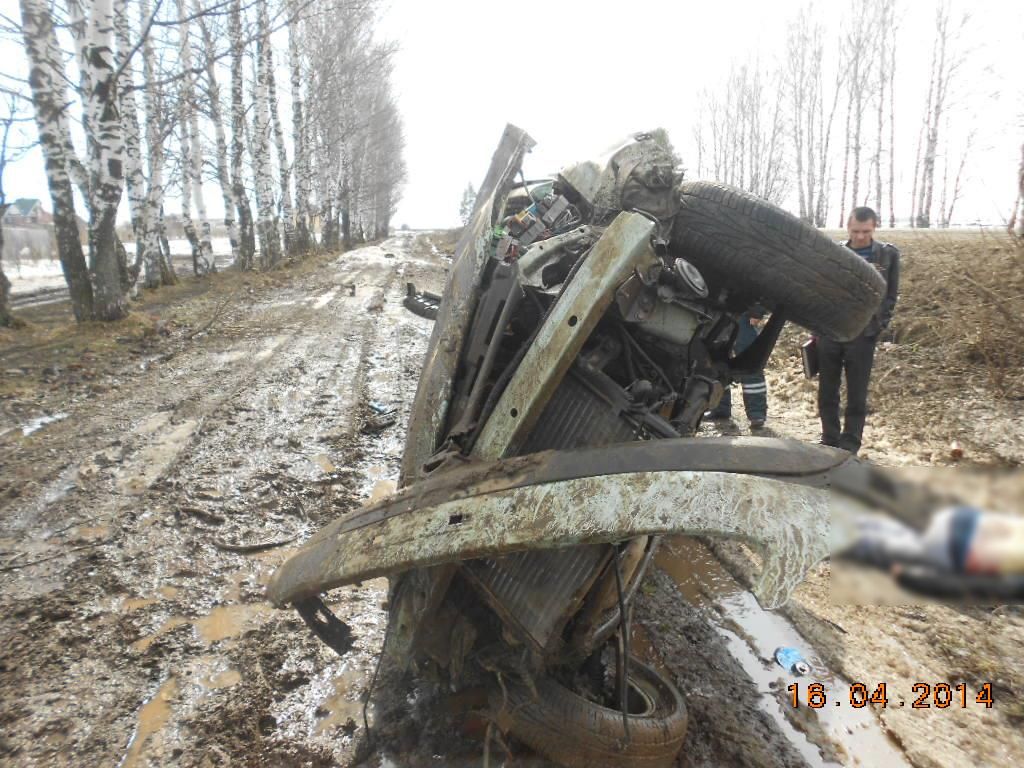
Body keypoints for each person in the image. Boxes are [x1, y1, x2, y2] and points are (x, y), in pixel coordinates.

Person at [818, 207, 900, 454]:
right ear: (847, 226)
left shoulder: (888, 255)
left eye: (866, 231)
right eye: (856, 231)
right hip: (830, 330)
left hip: (863, 334)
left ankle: (850, 444)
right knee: (827, 391)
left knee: (856, 393)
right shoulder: (834, 252)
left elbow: (891, 295)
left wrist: (878, 326)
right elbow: (820, 288)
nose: (861, 236)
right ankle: (829, 439)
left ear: (875, 227)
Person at [707, 310, 768, 429]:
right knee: (718, 362)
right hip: (719, 311)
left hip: (743, 313)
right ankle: (720, 408)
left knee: (750, 362)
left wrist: (757, 312)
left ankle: (757, 414)